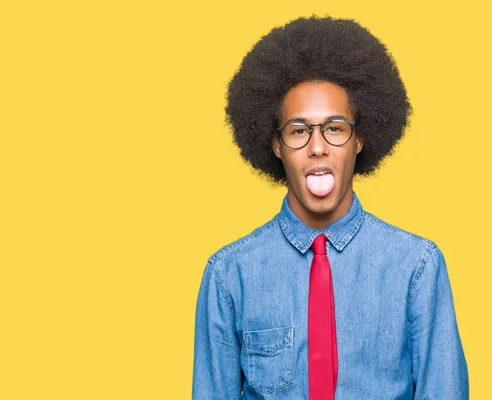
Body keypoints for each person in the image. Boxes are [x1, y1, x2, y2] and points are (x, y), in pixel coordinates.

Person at [192, 16, 468, 399]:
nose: (317, 146)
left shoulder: (417, 267)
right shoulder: (229, 275)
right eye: (299, 130)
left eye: (335, 128)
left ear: (360, 139)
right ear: (275, 145)